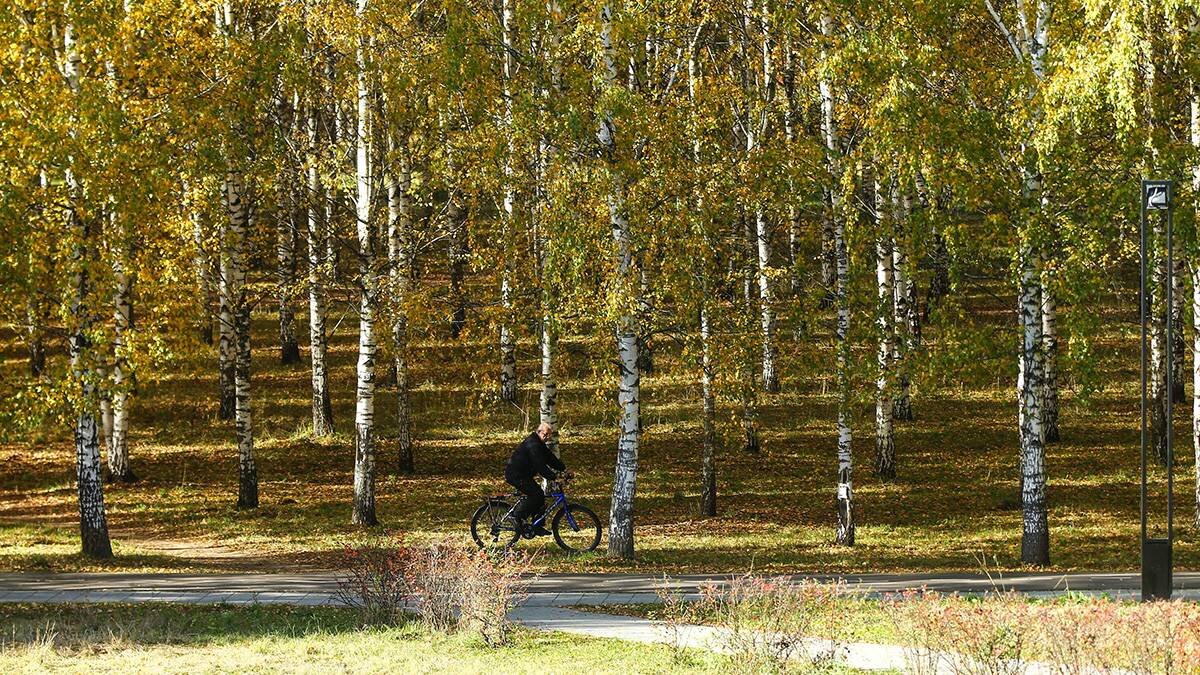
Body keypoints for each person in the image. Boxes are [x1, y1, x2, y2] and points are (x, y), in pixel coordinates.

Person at [505, 422, 567, 536]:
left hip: (524, 475)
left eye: (550, 435)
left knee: (540, 497)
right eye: (546, 434)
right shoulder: (533, 444)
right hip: (516, 475)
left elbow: (550, 459)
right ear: (539, 432)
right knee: (537, 494)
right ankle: (516, 516)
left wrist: (564, 469)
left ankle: (537, 526)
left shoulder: (540, 444)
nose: (548, 437)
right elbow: (540, 466)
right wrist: (554, 478)